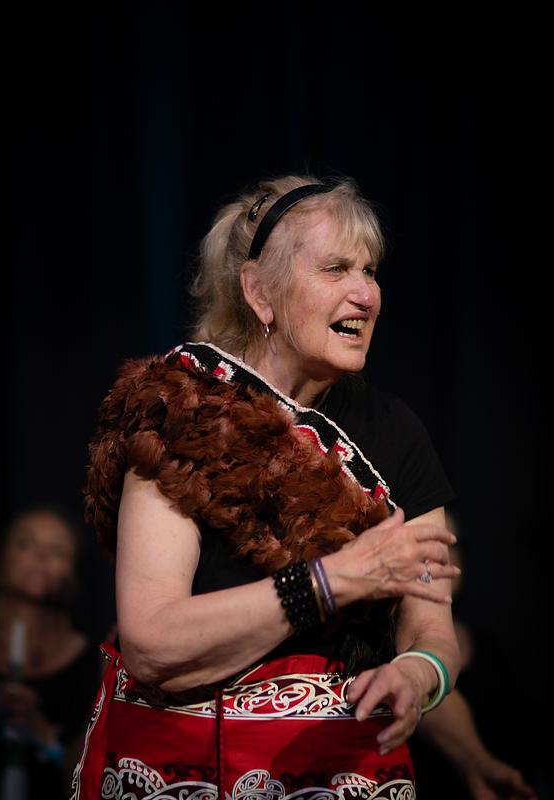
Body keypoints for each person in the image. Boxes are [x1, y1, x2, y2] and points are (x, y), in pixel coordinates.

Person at [72, 173, 462, 799]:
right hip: (186, 773)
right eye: (336, 270)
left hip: (345, 774)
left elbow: (434, 627)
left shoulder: (398, 432)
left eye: (370, 270)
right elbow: (151, 642)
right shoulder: (182, 412)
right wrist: (330, 584)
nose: (366, 294)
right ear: (260, 292)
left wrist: (418, 675)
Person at [410, 516, 539, 799]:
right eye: (427, 546)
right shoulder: (382, 643)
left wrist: (481, 764)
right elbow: (425, 692)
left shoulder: (490, 648)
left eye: (450, 545)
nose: (440, 559)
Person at [0, 503, 101, 800]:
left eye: (58, 550)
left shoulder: (97, 665)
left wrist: (48, 740)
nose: (41, 556)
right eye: (26, 543)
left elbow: (96, 784)